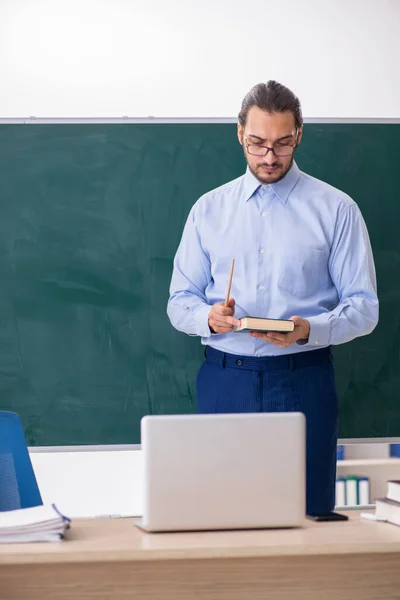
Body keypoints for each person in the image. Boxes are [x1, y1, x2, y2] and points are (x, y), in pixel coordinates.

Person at [167, 80, 378, 516]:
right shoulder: (208, 210)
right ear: (239, 133)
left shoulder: (337, 210)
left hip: (303, 378)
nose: (269, 157)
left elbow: (364, 308)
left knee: (307, 517)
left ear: (298, 134)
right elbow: (179, 301)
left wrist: (310, 330)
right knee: (223, 518)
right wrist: (208, 317)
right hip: (226, 380)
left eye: (282, 144)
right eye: (257, 143)